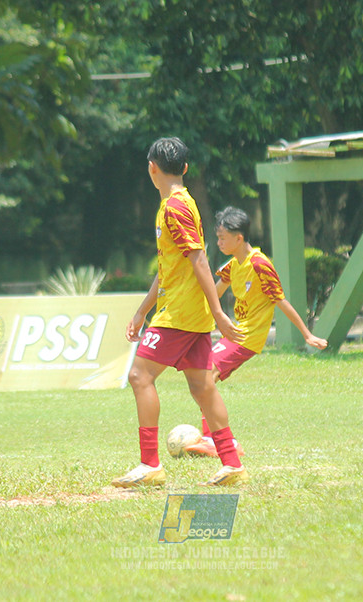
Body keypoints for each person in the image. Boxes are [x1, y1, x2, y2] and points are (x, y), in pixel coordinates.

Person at [112, 137, 249, 488]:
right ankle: (232, 464)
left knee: (140, 377)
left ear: (151, 168)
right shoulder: (178, 204)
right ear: (185, 169)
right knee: (203, 388)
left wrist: (218, 313)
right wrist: (143, 310)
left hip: (181, 314)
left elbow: (198, 259)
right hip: (187, 312)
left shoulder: (174, 207)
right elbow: (170, 267)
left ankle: (150, 464)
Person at [184, 205, 328, 457]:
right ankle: (218, 440)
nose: (217, 242)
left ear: (239, 238)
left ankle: (217, 440)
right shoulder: (233, 266)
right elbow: (213, 296)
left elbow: (281, 301)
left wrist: (307, 334)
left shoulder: (260, 264)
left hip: (249, 336)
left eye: (222, 238)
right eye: (217, 237)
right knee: (204, 376)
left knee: (207, 375)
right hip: (236, 332)